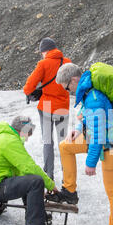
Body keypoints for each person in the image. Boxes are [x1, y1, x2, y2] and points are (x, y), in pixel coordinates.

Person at [45, 62, 113, 225]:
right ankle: (69, 191)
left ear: (74, 80)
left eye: (67, 87)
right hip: (102, 137)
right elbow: (85, 117)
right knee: (66, 146)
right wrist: (76, 129)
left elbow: (98, 135)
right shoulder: (88, 91)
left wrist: (91, 163)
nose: (68, 91)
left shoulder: (94, 98)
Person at [23, 37, 71, 180]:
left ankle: (49, 176)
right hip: (63, 106)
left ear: (45, 51)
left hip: (47, 107)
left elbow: (29, 86)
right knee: (64, 142)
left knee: (48, 141)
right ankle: (68, 177)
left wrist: (30, 92)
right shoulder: (67, 62)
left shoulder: (43, 64)